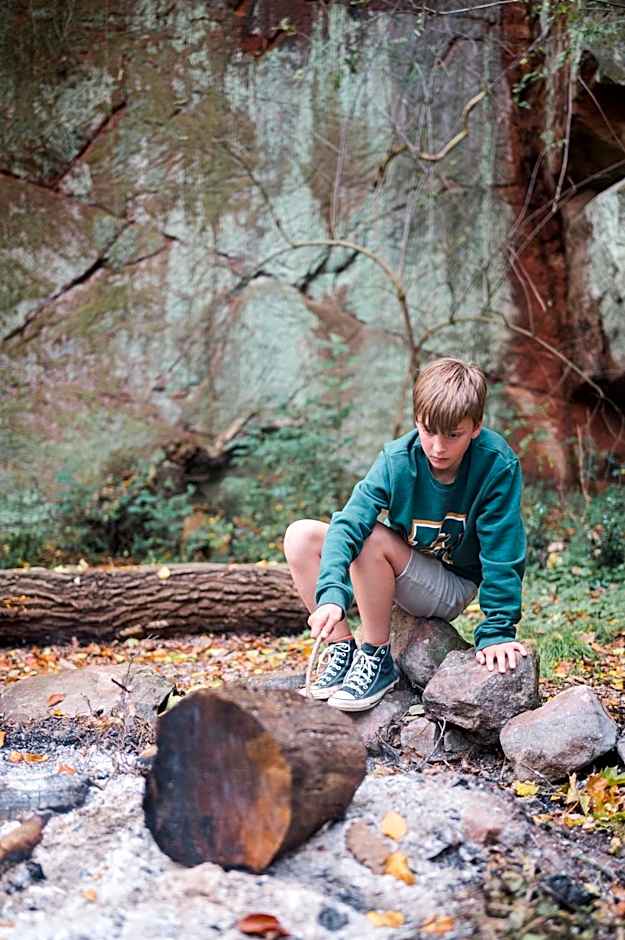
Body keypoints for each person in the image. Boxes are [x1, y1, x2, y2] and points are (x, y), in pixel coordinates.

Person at [283, 357, 527, 712]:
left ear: (476, 427)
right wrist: (332, 595)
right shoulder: (397, 460)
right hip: (403, 573)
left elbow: (502, 550)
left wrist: (498, 631)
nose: (438, 447)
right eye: (429, 431)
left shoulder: (495, 464)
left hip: (451, 586)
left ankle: (377, 657)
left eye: (453, 435)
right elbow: (349, 522)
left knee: (371, 539)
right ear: (416, 420)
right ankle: (342, 650)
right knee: (301, 536)